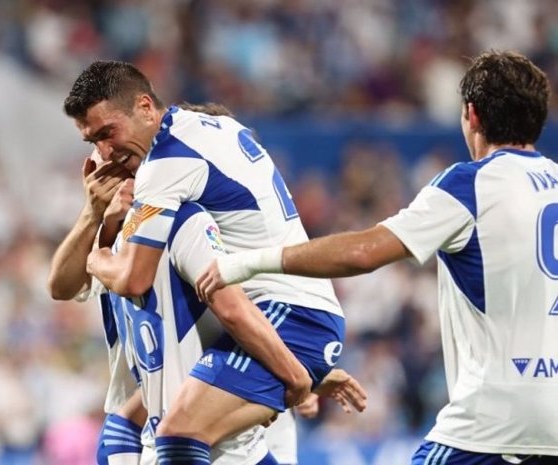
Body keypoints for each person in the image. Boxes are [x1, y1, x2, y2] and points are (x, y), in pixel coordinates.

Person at [196, 50, 558, 464]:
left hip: (494, 422)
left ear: (471, 115)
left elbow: (365, 251)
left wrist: (247, 262)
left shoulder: (471, 184)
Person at [62, 60, 348, 465]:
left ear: (146, 107)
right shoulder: (216, 128)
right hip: (285, 312)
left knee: (179, 433)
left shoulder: (164, 166)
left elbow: (134, 279)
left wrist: (97, 257)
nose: (104, 153)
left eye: (109, 133)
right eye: (92, 141)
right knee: (144, 427)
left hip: (284, 317)